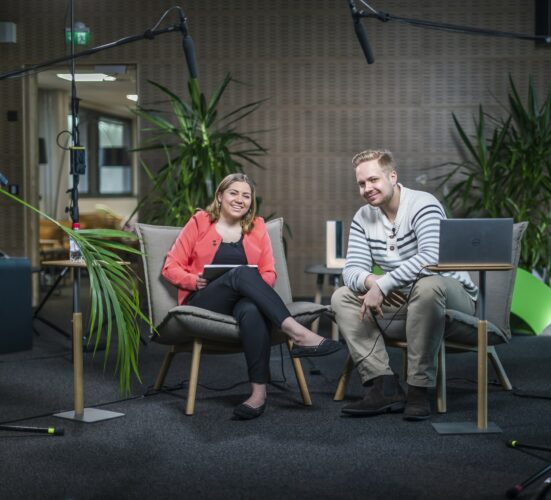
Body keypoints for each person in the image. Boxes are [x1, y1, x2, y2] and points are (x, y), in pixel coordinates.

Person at [162, 173, 342, 420]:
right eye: (233, 193)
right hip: (204, 301)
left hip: (241, 302)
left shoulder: (257, 227)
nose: (240, 199)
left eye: (246, 195)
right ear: (220, 196)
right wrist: (193, 280)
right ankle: (298, 332)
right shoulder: (200, 222)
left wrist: (252, 283)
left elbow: (269, 272)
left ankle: (258, 394)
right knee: (240, 274)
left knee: (252, 308)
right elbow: (170, 266)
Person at [331, 149, 478, 420]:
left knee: (428, 285)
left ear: (392, 176)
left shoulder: (423, 204)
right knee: (342, 296)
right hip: (404, 298)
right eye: (361, 183)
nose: (367, 188)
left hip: (450, 294)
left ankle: (418, 389)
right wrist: (373, 281)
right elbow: (351, 270)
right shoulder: (364, 217)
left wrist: (384, 284)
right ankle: (382, 385)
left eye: (373, 180)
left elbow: (431, 258)